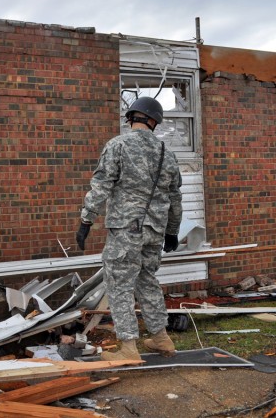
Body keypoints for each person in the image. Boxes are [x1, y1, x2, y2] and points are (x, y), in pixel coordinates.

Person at [75, 96, 183, 360]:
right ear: (154, 121)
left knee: (120, 284)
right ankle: (161, 338)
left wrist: (86, 220)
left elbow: (102, 186)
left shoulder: (117, 145)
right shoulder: (166, 153)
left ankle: (128, 348)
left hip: (126, 230)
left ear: (131, 118)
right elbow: (175, 197)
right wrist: (172, 230)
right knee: (147, 281)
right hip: (154, 231)